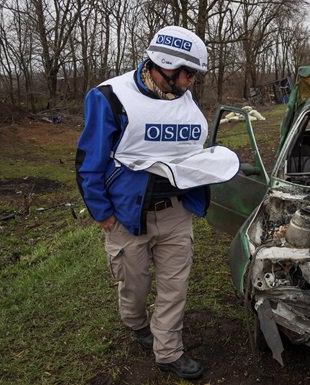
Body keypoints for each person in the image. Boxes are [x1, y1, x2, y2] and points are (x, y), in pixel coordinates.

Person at [75, 26, 239, 380]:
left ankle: (168, 351)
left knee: (174, 286)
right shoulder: (110, 97)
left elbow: (189, 154)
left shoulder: (184, 100)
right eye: (185, 73)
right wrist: (102, 214)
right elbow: (90, 162)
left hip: (176, 214)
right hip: (126, 216)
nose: (190, 81)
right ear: (162, 64)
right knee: (134, 287)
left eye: (194, 74)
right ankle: (137, 325)